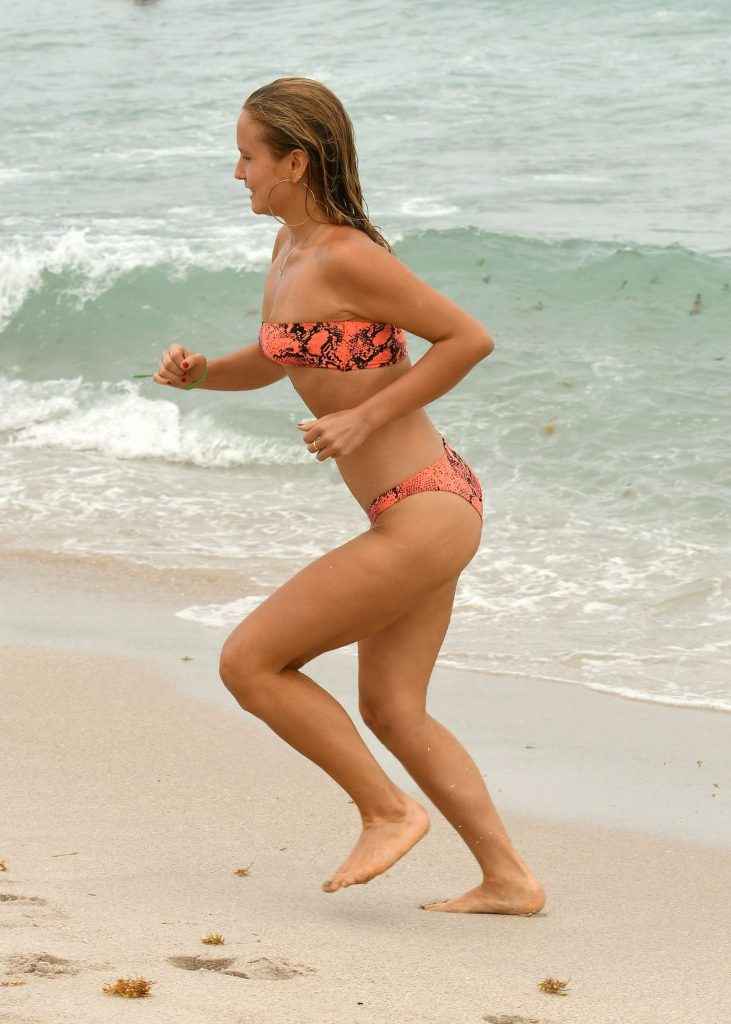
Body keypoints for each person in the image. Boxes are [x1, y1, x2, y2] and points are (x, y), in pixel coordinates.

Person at [153, 76, 545, 916]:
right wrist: (203, 374)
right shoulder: (289, 250)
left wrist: (366, 416)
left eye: (247, 156)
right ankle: (509, 880)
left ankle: (386, 811)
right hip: (421, 505)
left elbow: (466, 339)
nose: (236, 173)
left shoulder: (345, 254)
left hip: (423, 508)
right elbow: (280, 357)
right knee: (394, 709)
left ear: (294, 162)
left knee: (250, 662)